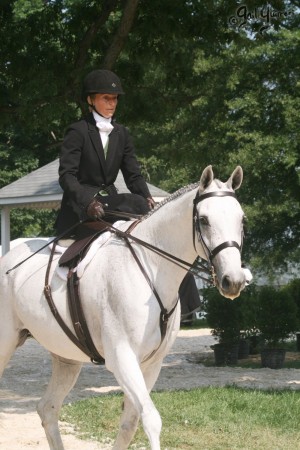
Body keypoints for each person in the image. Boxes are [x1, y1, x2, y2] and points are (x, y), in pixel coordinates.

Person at [55, 69, 155, 237]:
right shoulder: (77, 131)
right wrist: (87, 202)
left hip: (109, 204)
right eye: (106, 98)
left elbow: (133, 175)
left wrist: (148, 198)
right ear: (90, 99)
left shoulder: (122, 133)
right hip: (81, 207)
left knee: (140, 204)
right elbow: (67, 176)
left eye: (115, 98)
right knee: (134, 202)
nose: (112, 103)